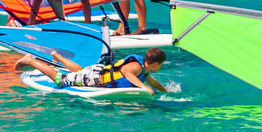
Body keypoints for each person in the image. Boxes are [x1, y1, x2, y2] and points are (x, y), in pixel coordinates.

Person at [14, 46, 167, 92]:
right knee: (60, 80)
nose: (160, 68)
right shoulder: (135, 67)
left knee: (80, 72)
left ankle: (58, 57)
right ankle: (31, 61)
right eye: (160, 65)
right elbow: (127, 73)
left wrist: (165, 91)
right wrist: (144, 88)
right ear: (155, 64)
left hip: (96, 72)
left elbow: (151, 82)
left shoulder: (144, 70)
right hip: (94, 78)